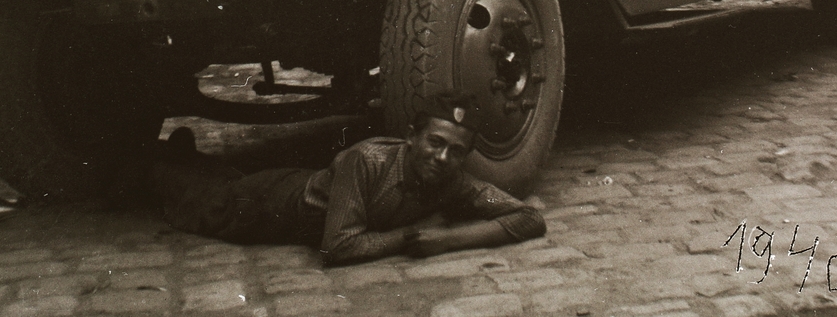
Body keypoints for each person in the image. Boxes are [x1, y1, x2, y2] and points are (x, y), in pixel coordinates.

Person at [150, 96, 545, 265]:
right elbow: (338, 247)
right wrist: (408, 237)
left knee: (216, 178)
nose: (443, 158)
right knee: (184, 198)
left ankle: (183, 154)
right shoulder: (366, 159)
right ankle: (154, 164)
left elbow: (529, 219)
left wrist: (443, 241)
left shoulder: (452, 180)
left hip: (304, 185)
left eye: (456, 151)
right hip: (264, 208)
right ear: (412, 136)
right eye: (435, 143)